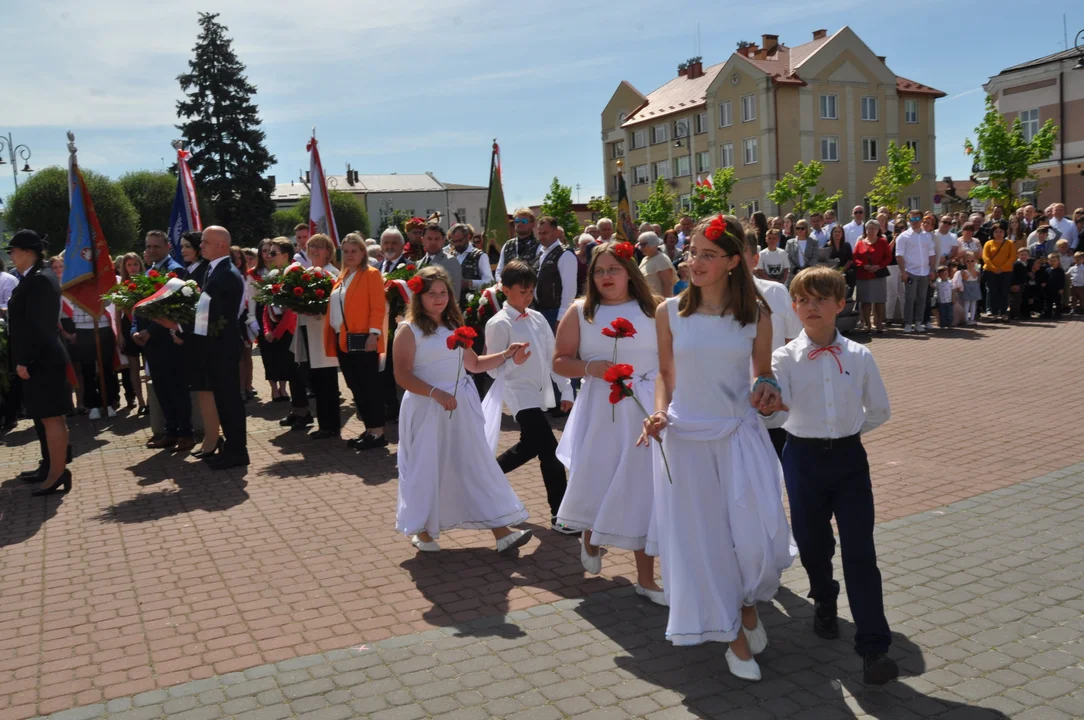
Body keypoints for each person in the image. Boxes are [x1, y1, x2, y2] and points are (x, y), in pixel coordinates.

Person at [638, 215, 793, 681]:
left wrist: (767, 389)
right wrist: (661, 412)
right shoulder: (669, 312)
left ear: (732, 262)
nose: (695, 261)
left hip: (739, 438)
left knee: (751, 541)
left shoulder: (757, 313)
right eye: (692, 251)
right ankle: (732, 635)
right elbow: (667, 376)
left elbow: (761, 373)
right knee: (702, 543)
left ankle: (746, 602)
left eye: (708, 254)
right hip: (686, 440)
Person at [766, 266, 897, 686]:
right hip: (801, 458)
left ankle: (874, 647)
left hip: (847, 459)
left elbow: (879, 409)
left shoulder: (859, 356)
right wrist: (770, 407)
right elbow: (778, 408)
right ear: (794, 307)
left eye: (821, 299)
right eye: (802, 299)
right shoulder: (783, 358)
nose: (810, 307)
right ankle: (824, 596)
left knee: (860, 549)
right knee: (812, 541)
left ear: (840, 305)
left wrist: (844, 430)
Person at [553, 241, 665, 605]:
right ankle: (590, 533)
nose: (605, 277)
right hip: (602, 408)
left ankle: (646, 579)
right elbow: (559, 361)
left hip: (646, 408)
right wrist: (591, 368)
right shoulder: (581, 311)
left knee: (643, 490)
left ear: (629, 271)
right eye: (598, 271)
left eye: (613, 269)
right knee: (601, 477)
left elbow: (671, 363)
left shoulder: (658, 309)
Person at [393, 266, 534, 554]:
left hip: (460, 405)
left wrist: (507, 354)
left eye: (443, 293)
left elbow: (475, 364)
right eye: (432, 294)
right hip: (426, 406)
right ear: (418, 297)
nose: (439, 299)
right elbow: (402, 375)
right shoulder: (408, 330)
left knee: (472, 463)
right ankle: (423, 530)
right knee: (427, 466)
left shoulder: (455, 327)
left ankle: (501, 531)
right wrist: (436, 393)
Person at [487, 261, 575, 533]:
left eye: (531, 291)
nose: (528, 296)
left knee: (528, 447)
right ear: (505, 290)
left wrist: (567, 389)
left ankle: (480, 477)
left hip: (540, 394)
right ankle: (561, 515)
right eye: (523, 291)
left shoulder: (536, 318)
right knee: (550, 450)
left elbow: (554, 356)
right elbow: (491, 370)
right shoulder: (498, 323)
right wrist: (514, 361)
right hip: (519, 394)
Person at [6, 230, 74, 496]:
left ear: (27, 251)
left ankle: (57, 473)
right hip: (41, 359)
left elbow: (41, 327)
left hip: (42, 360)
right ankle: (52, 469)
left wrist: (25, 361)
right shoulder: (35, 277)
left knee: (51, 418)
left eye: (13, 250)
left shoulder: (40, 280)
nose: (11, 254)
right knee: (46, 417)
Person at [188, 227, 249, 469]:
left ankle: (237, 451)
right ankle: (231, 447)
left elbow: (214, 314)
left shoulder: (226, 274)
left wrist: (181, 324)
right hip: (215, 345)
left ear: (222, 245)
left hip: (222, 346)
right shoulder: (215, 270)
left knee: (230, 401)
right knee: (223, 401)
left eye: (205, 242)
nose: (200, 246)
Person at [324, 234, 388, 451]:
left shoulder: (370, 274)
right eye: (347, 251)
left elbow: (377, 306)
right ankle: (370, 429)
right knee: (355, 386)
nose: (350, 255)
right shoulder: (343, 275)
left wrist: (374, 334)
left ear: (363, 253)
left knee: (369, 386)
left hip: (363, 338)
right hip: (343, 339)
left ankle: (378, 432)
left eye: (355, 250)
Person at [742, 231, 802, 460]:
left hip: (771, 406)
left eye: (740, 254)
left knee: (775, 479)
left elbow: (792, 344)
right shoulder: (711, 302)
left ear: (755, 259)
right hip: (731, 410)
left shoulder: (775, 292)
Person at [133, 230, 190, 450]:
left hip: (168, 341)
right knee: (162, 389)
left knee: (177, 388)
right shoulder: (149, 272)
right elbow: (140, 307)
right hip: (150, 343)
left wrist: (150, 331)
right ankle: (171, 431)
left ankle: (186, 433)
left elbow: (171, 309)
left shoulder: (175, 271)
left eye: (156, 246)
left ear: (168, 247)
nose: (151, 250)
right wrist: (136, 331)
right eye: (148, 246)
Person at [289, 233, 341, 438]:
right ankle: (324, 423)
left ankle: (330, 425)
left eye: (319, 246)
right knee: (314, 380)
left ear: (329, 251)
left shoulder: (332, 273)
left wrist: (318, 309)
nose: (314, 250)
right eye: (311, 247)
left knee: (326, 381)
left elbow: (335, 303)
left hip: (323, 333)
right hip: (306, 330)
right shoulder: (306, 272)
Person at [177, 231, 220, 457]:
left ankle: (213, 437)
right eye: (182, 246)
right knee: (200, 389)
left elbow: (202, 310)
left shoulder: (205, 272)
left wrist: (181, 330)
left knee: (207, 389)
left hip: (201, 338)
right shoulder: (186, 271)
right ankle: (211, 437)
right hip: (190, 337)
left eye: (188, 246)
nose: (183, 250)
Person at [261, 239, 303, 410]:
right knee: (288, 371)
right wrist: (267, 330)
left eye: (273, 253)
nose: (269, 257)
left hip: (290, 331)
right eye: (269, 253)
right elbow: (266, 306)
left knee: (295, 372)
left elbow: (292, 311)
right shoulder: (275, 274)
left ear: (286, 255)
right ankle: (297, 410)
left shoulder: (294, 273)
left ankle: (301, 410)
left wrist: (276, 332)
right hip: (277, 330)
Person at [114, 253, 147, 415]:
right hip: (128, 327)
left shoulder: (149, 283)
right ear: (124, 268)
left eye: (135, 264)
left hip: (146, 326)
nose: (133, 268)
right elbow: (117, 311)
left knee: (149, 367)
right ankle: (141, 401)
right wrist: (119, 334)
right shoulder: (122, 286)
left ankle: (152, 400)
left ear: (140, 265)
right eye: (129, 265)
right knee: (133, 367)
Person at [533, 216, 578, 330]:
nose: (541, 237)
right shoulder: (541, 253)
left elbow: (570, 290)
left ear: (556, 232)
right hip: (539, 310)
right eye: (539, 233)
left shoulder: (565, 254)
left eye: (545, 233)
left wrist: (561, 317)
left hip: (555, 312)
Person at [895, 211, 935, 333]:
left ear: (921, 219)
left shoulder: (927, 236)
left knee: (922, 298)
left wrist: (932, 270)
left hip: (924, 272)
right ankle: (908, 323)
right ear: (909, 220)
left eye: (917, 218)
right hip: (910, 271)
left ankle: (918, 322)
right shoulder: (903, 236)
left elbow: (931, 254)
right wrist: (903, 272)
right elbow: (899, 255)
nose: (915, 221)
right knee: (910, 298)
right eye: (912, 219)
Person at [852, 220, 892, 334]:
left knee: (879, 300)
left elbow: (888, 257)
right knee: (865, 301)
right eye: (868, 228)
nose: (870, 231)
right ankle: (868, 325)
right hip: (864, 275)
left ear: (878, 230)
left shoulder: (883, 242)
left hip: (878, 274)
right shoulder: (860, 243)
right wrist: (863, 266)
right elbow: (855, 257)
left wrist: (879, 266)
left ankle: (879, 324)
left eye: (873, 228)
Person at [447, 222, 492, 304]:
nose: (456, 244)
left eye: (459, 241)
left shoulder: (480, 256)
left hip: (472, 304)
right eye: (453, 241)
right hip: (453, 304)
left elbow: (490, 281)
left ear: (468, 237)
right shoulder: (450, 256)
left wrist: (470, 283)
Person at [417, 223, 462, 297]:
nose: (433, 242)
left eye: (437, 239)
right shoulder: (418, 263)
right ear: (423, 240)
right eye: (429, 239)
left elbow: (454, 296)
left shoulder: (451, 261)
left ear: (443, 241)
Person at [495, 208, 541, 281]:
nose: (520, 224)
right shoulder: (507, 245)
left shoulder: (540, 246)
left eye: (524, 221)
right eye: (517, 221)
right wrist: (503, 285)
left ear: (533, 225)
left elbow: (540, 274)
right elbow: (499, 271)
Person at [982, 224, 1016, 322]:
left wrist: (1002, 268)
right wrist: (994, 268)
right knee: (993, 292)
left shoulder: (1010, 243)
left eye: (1001, 231)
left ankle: (1004, 313)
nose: (999, 234)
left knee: (1004, 292)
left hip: (1006, 272)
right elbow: (985, 257)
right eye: (996, 232)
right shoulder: (988, 243)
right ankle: (994, 313)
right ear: (992, 233)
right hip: (990, 271)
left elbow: (1012, 257)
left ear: (1004, 232)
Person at [637, 231, 675, 299]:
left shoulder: (662, 260)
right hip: (646, 301)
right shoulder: (645, 258)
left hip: (657, 303)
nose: (640, 247)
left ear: (653, 244)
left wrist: (666, 305)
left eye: (643, 244)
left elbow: (668, 285)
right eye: (640, 244)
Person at [953, 253, 982, 326]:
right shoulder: (963, 271)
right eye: (967, 261)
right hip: (967, 286)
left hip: (974, 285)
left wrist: (972, 269)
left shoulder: (976, 268)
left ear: (975, 261)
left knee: (973, 303)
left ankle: (972, 319)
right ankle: (966, 319)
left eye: (972, 261)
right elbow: (966, 278)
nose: (970, 263)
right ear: (964, 261)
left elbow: (976, 276)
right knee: (966, 303)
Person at [825, 224, 854, 297]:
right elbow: (824, 260)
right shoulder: (827, 246)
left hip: (844, 270)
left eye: (839, 232)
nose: (837, 233)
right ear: (832, 233)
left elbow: (850, 260)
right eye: (835, 232)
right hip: (831, 271)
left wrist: (842, 270)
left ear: (842, 234)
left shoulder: (847, 245)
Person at [1009, 248, 1032, 320]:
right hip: (1017, 284)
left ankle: (1019, 314)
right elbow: (1013, 275)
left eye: (1025, 255)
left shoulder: (1026, 264)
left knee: (1020, 300)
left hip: (1022, 284)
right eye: (1022, 255)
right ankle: (1014, 314)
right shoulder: (1017, 264)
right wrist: (1013, 284)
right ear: (1018, 255)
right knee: (1015, 300)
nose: (1024, 256)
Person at [1041, 253, 1065, 319]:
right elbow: (1045, 278)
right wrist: (1044, 283)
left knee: (1058, 302)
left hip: (1057, 289)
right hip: (1048, 289)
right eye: (1051, 261)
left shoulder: (1060, 271)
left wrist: (1061, 288)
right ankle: (1048, 313)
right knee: (1048, 302)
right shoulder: (1047, 270)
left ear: (1058, 261)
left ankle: (1058, 314)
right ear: (1048, 261)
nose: (1052, 262)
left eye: (1054, 261)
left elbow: (1062, 280)